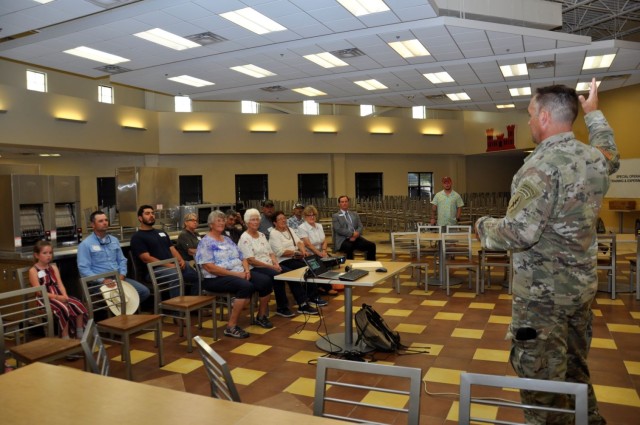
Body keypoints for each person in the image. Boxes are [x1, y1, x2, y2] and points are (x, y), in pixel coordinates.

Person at [475, 78, 619, 425]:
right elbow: (611, 155)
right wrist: (594, 114)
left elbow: (519, 232)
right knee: (575, 369)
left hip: (542, 300)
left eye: (529, 114)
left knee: (540, 382)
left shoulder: (539, 167)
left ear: (542, 117)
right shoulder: (593, 159)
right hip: (579, 292)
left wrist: (482, 226)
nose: (527, 121)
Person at [196, 210, 273, 338]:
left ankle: (260, 316)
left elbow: (242, 256)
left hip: (238, 273)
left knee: (265, 281)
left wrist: (247, 270)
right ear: (211, 224)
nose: (221, 223)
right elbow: (210, 268)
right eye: (218, 221)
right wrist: (237, 275)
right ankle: (231, 326)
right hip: (216, 278)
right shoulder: (205, 242)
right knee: (246, 286)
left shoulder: (226, 239)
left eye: (222, 220)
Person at [238, 208, 318, 317]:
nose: (256, 222)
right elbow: (251, 260)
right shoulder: (244, 238)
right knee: (278, 276)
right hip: (256, 267)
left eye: (257, 219)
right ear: (247, 222)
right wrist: (272, 267)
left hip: (270, 264)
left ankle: (303, 304)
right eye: (253, 220)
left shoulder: (261, 235)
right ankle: (282, 307)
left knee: (290, 275)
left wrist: (275, 264)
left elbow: (271, 253)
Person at [77, 210, 150, 304]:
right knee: (121, 296)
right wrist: (102, 280)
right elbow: (83, 269)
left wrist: (122, 274)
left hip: (118, 278)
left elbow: (122, 260)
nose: (105, 223)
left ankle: (125, 314)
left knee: (144, 292)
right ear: (93, 225)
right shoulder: (85, 244)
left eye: (106, 220)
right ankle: (122, 316)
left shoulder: (114, 240)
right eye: (100, 221)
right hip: (98, 283)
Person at [130, 205, 198, 296]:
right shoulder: (137, 237)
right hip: (153, 270)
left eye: (152, 213)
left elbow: (172, 249)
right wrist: (169, 265)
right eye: (147, 213)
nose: (151, 215)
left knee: (197, 272)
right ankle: (177, 308)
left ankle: (193, 303)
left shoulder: (161, 232)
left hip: (171, 265)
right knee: (175, 274)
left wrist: (181, 260)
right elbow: (146, 258)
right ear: (140, 218)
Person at [269, 210, 326, 310]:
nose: (283, 220)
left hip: (295, 257)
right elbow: (279, 252)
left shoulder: (289, 229)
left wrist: (303, 251)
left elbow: (299, 242)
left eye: (284, 218)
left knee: (312, 266)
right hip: (283, 260)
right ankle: (303, 301)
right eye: (280, 219)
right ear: (275, 222)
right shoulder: (274, 234)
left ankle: (313, 296)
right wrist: (296, 253)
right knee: (300, 271)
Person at [30, 241, 87, 339]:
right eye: (45, 253)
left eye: (50, 253)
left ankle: (79, 332)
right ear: (36, 255)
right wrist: (57, 297)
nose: (48, 256)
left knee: (78, 304)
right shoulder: (33, 270)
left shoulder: (53, 267)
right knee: (63, 308)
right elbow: (39, 292)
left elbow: (60, 284)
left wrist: (64, 295)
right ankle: (65, 337)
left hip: (59, 294)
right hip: (45, 298)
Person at [298, 204, 341, 296]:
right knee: (320, 264)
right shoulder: (302, 227)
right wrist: (319, 253)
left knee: (333, 262)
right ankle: (324, 287)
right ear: (305, 217)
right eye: (309, 215)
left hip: (320, 252)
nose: (312, 217)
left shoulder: (319, 226)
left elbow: (324, 240)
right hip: (309, 254)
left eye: (314, 215)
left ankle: (324, 285)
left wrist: (324, 251)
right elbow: (308, 244)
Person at [332, 196, 376, 261]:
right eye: (342, 202)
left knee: (371, 245)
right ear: (339, 204)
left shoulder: (354, 214)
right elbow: (338, 229)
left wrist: (356, 234)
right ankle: (350, 267)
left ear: (348, 203)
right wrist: (352, 234)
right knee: (349, 247)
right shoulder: (336, 216)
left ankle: (370, 264)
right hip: (343, 239)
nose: (344, 203)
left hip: (356, 238)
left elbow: (360, 226)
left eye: (346, 201)